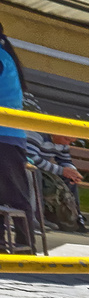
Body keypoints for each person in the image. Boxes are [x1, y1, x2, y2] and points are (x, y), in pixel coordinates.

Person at [0, 25, 36, 247]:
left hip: (4, 136)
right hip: (9, 137)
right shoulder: (6, 55)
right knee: (12, 193)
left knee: (14, 195)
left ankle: (26, 245)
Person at [23, 125, 88, 232]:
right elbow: (31, 157)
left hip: (44, 169)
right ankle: (38, 217)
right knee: (36, 174)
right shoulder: (37, 134)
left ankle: (75, 217)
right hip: (28, 166)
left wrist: (73, 172)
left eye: (71, 141)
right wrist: (62, 171)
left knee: (70, 180)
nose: (67, 144)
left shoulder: (63, 144)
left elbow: (65, 160)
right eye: (66, 139)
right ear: (56, 131)